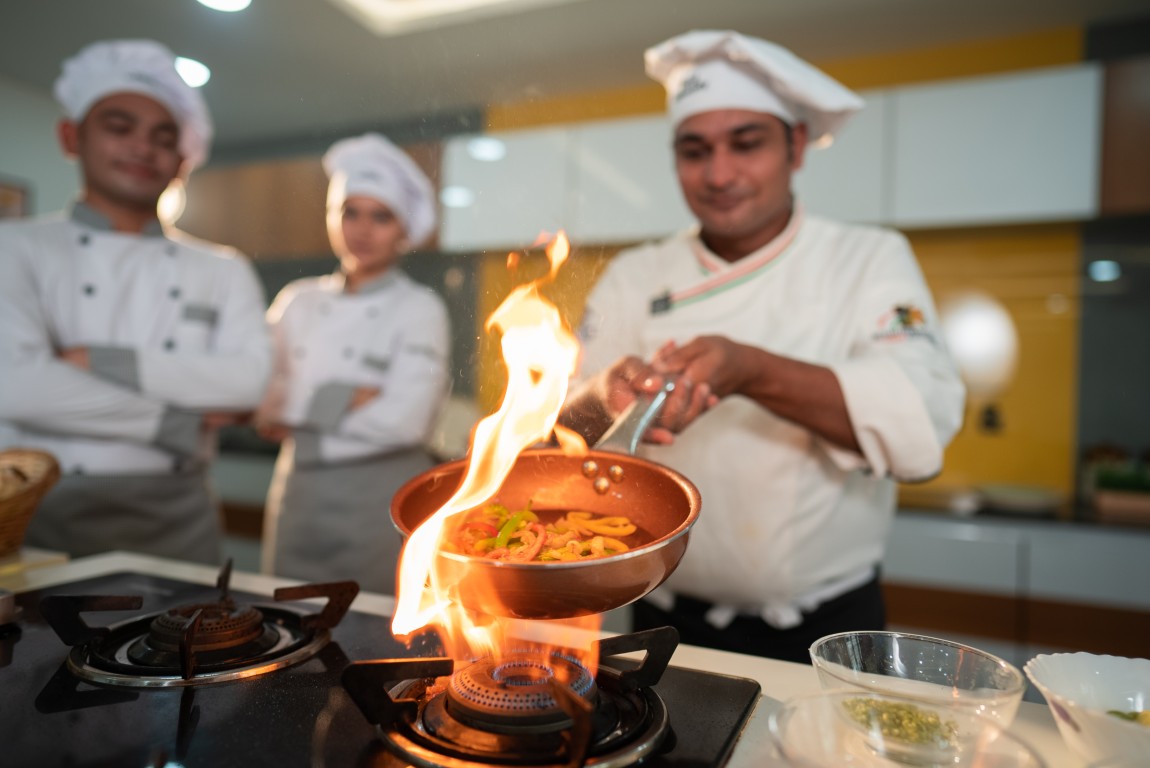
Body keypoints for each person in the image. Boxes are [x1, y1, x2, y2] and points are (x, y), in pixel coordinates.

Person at [558, 30, 966, 663]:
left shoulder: (867, 258)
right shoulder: (636, 274)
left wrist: (749, 369)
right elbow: (557, 430)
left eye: (746, 144)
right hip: (661, 618)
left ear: (796, 145)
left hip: (828, 627)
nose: (720, 174)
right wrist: (601, 397)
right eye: (695, 151)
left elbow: (924, 422)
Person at [0, 40, 271, 564]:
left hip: (182, 517)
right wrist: (176, 423)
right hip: (42, 510)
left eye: (162, 136)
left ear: (182, 160)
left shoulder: (222, 266)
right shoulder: (13, 246)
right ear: (70, 136)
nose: (142, 148)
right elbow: (16, 386)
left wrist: (96, 361)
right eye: (119, 127)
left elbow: (249, 382)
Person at [256, 133, 451, 594]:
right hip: (298, 497)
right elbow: (257, 400)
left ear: (403, 229)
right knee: (286, 622)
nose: (362, 230)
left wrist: (296, 406)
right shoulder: (296, 301)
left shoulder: (420, 308)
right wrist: (344, 398)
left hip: (380, 500)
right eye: (350, 212)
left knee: (376, 634)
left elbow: (406, 423)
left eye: (381, 217)